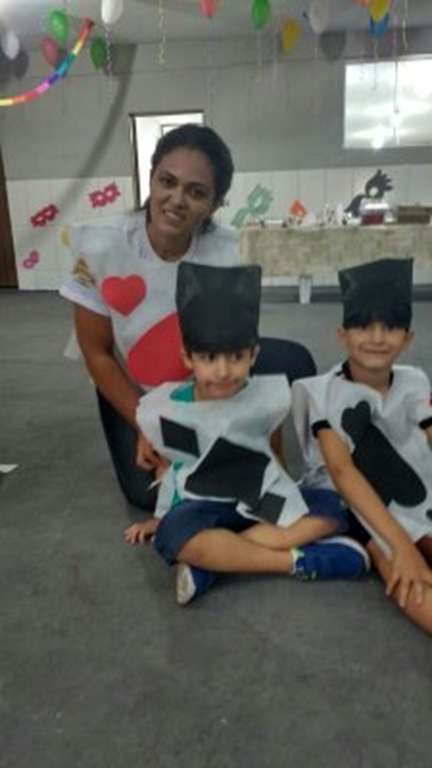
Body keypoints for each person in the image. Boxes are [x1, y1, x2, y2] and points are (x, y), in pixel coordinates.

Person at [60, 124, 315, 513]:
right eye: (167, 181)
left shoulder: (228, 253)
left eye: (196, 192)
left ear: (215, 204)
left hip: (200, 378)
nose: (176, 200)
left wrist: (216, 420)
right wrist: (148, 424)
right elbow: (96, 353)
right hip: (132, 385)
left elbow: (231, 345)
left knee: (293, 361)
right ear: (151, 178)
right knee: (149, 493)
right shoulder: (99, 244)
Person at [124, 262, 370, 605]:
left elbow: (273, 454)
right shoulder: (170, 406)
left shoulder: (265, 397)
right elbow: (173, 469)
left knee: (333, 508)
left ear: (254, 354)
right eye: (209, 358)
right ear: (188, 357)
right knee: (173, 535)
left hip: (259, 498)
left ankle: (215, 564)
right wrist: (159, 518)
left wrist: (289, 499)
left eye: (236, 357)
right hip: (202, 506)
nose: (223, 371)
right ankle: (298, 561)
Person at [292, 258, 432, 633]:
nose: (377, 337)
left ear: (408, 338)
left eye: (391, 327)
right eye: (363, 326)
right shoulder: (323, 393)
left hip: (411, 482)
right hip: (354, 500)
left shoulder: (414, 381)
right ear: (342, 335)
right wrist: (401, 545)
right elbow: (342, 472)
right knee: (406, 569)